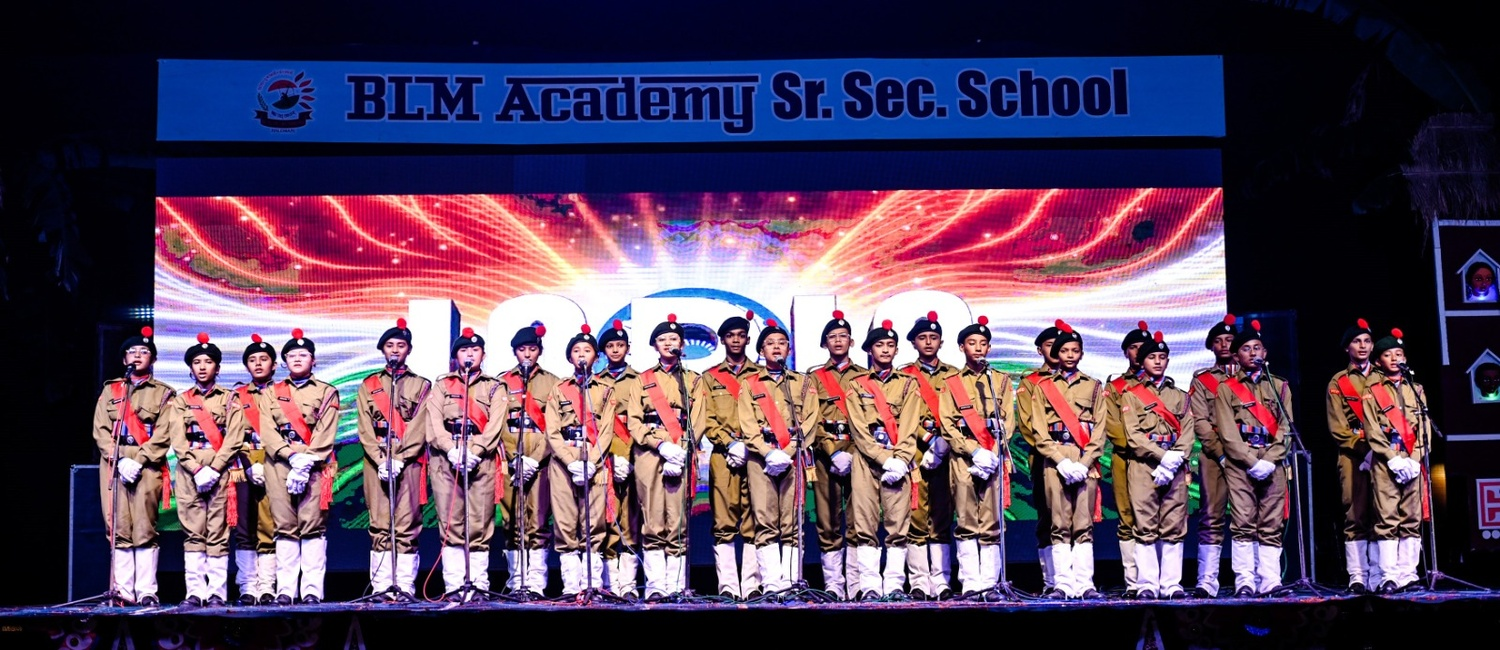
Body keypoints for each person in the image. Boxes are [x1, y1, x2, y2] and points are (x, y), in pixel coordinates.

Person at [91, 326, 175, 605]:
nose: (138, 355)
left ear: (153, 359)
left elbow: (164, 433)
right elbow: (100, 430)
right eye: (132, 351)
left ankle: (147, 591)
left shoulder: (164, 393)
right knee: (118, 526)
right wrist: (119, 459)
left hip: (146, 464)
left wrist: (137, 461)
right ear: (124, 358)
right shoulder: (111, 390)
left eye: (144, 351)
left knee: (144, 526)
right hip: (114, 463)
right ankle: (123, 591)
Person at [626, 314, 708, 599]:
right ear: (654, 345)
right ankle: (655, 586)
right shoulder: (642, 380)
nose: (668, 343)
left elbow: (698, 419)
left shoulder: (693, 379)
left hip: (681, 451)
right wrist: (660, 446)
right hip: (650, 453)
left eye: (673, 339)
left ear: (682, 345)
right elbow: (634, 421)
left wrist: (681, 450)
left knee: (678, 521)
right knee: (652, 520)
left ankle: (676, 585)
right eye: (662, 339)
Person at [737, 319, 820, 595]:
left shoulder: (803, 383)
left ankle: (791, 582)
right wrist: (769, 453)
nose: (776, 348)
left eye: (782, 343)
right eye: (770, 344)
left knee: (792, 521)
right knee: (765, 520)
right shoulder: (750, 384)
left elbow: (810, 421)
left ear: (789, 349)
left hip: (792, 457)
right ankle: (772, 582)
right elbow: (747, 425)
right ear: (761, 350)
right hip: (761, 459)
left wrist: (787, 453)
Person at [424, 327, 507, 601]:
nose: (469, 354)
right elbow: (434, 422)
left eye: (475, 350)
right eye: (463, 350)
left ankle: (478, 585)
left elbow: (495, 425)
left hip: (480, 460)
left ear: (483, 354)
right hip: (446, 459)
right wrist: (451, 450)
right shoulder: (442, 385)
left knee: (480, 524)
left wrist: (475, 450)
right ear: (455, 356)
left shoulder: (494, 386)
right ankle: (454, 586)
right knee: (451, 524)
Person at [1026, 320, 1106, 599]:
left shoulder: (1094, 386)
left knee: (1083, 524)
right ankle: (1062, 584)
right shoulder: (1043, 387)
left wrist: (1084, 463)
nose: (1070, 355)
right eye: (1064, 351)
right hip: (1055, 459)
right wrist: (1061, 461)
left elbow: (1100, 429)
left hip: (1085, 460)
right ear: (1056, 354)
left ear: (1082, 353)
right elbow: (1039, 430)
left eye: (1075, 350)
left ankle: (1085, 584)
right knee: (1058, 523)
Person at [258, 329, 340, 605]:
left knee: (312, 526)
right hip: (280, 463)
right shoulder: (271, 392)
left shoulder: (327, 392)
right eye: (291, 355)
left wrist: (306, 461)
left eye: (303, 355)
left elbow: (326, 430)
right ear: (284, 361)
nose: (296, 359)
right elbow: (267, 430)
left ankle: (312, 590)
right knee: (284, 526)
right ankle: (285, 589)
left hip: (314, 464)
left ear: (313, 360)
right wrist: (291, 457)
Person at [1213, 319, 1293, 597]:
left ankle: (1270, 579)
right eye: (1246, 349)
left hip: (1273, 461)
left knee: (1271, 522)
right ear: (1236, 356)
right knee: (1243, 523)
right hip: (1241, 463)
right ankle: (1245, 580)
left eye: (1257, 347)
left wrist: (1270, 459)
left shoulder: (1280, 386)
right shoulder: (1226, 388)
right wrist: (1252, 462)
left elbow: (1286, 427)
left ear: (1265, 352)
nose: (1253, 353)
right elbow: (1227, 432)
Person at [355, 318, 432, 601]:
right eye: (390, 345)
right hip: (376, 459)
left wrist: (400, 457)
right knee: (379, 523)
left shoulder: (422, 385)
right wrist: (380, 459)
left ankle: (405, 585)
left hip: (408, 461)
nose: (395, 350)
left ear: (408, 350)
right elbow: (364, 426)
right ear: (383, 350)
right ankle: (381, 586)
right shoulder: (369, 385)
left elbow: (420, 425)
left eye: (401, 345)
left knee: (407, 524)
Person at [937, 316, 1014, 595]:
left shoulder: (1000, 381)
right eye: (972, 343)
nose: (978, 348)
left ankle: (991, 582)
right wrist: (974, 451)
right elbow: (947, 423)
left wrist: (992, 453)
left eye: (983, 343)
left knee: (992, 520)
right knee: (966, 519)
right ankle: (971, 582)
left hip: (992, 455)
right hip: (964, 457)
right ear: (962, 348)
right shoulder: (951, 382)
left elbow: (1008, 420)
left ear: (989, 348)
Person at [166, 333, 244, 607]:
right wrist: (196, 469)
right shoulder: (180, 400)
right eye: (197, 362)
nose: (202, 367)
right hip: (190, 472)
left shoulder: (230, 399)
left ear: (217, 368)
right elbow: (177, 439)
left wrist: (215, 467)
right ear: (190, 368)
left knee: (218, 531)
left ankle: (217, 593)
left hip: (219, 471)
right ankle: (195, 592)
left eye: (208, 362)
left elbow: (234, 437)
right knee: (193, 531)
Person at [546, 324, 623, 596]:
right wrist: (570, 462)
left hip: (595, 462)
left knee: (594, 523)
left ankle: (592, 583)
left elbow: (607, 430)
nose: (581, 355)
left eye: (587, 350)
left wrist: (590, 461)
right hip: (564, 460)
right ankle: (570, 586)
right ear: (570, 357)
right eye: (576, 350)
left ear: (596, 357)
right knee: (566, 522)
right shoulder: (559, 389)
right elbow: (552, 431)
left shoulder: (605, 390)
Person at [847, 320, 921, 599]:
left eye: (891, 345)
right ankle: (869, 586)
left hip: (899, 460)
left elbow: (910, 425)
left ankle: (893, 585)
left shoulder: (908, 384)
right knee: (865, 525)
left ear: (897, 350)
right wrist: (883, 459)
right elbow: (858, 429)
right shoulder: (856, 385)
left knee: (898, 525)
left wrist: (900, 459)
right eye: (880, 345)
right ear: (870, 350)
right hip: (867, 460)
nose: (886, 350)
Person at [1119, 332, 1196, 599]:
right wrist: (1162, 458)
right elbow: (1133, 435)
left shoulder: (1181, 396)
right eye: (1152, 357)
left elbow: (1188, 430)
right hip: (1144, 465)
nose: (1158, 361)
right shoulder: (1131, 395)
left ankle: (1171, 584)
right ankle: (1148, 584)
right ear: (1142, 361)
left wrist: (1174, 459)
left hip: (1175, 465)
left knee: (1174, 524)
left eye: (1162, 357)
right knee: (1145, 524)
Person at [1360, 329, 1429, 593]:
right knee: (1387, 518)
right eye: (1388, 355)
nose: (1394, 358)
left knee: (1411, 518)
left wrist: (1415, 459)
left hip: (1412, 460)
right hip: (1386, 461)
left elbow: (1424, 427)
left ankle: (1408, 574)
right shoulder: (1372, 391)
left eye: (1398, 354)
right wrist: (1392, 459)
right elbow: (1372, 429)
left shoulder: (1416, 389)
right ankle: (1388, 576)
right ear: (1379, 361)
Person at [898, 312, 961, 600]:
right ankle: (919, 581)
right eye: (922, 338)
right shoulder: (904, 375)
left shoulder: (954, 375)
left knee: (942, 514)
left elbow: (960, 412)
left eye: (933, 338)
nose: (928, 342)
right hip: (915, 450)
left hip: (947, 451)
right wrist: (928, 439)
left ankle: (942, 580)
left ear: (941, 342)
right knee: (916, 515)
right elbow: (900, 415)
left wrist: (944, 441)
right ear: (913, 343)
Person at [701, 312, 763, 600]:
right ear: (722, 340)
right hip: (723, 455)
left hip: (756, 454)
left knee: (754, 518)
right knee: (724, 521)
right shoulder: (709, 377)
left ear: (748, 340)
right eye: (730, 336)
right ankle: (727, 585)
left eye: (740, 335)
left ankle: (751, 585)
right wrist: (729, 443)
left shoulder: (760, 375)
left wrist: (750, 444)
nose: (736, 340)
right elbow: (706, 418)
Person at [496, 323, 559, 596]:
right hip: (510, 461)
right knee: (512, 521)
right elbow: (497, 423)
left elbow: (554, 426)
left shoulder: (553, 382)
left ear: (539, 351)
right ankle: (515, 581)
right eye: (522, 349)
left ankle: (536, 584)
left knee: (538, 522)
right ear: (515, 352)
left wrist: (534, 459)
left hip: (541, 463)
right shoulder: (501, 382)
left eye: (532, 349)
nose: (527, 354)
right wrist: (513, 457)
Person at [806, 310, 864, 599]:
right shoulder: (814, 378)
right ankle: (833, 585)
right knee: (827, 521)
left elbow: (870, 419)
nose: (838, 341)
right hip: (824, 455)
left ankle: (856, 584)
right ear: (824, 343)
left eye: (843, 336)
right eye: (832, 337)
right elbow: (809, 419)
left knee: (858, 521)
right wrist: (831, 451)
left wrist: (853, 452)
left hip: (859, 456)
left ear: (851, 342)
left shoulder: (864, 376)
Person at [1325, 318, 1378, 593]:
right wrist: (1364, 451)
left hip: (1385, 454)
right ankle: (1358, 575)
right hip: (1353, 454)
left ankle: (1381, 574)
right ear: (1347, 347)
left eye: (1367, 341)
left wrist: (1380, 451)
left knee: (1383, 514)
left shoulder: (1383, 376)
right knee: (1355, 514)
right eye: (1357, 341)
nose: (1363, 346)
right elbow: (1337, 427)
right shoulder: (1339, 381)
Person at [1190, 314, 1239, 598]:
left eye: (1229, 340)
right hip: (1214, 454)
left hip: (1249, 455)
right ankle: (1207, 581)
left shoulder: (1253, 378)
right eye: (1218, 341)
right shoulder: (1203, 380)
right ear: (1211, 346)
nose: (1224, 345)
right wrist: (1221, 455)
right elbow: (1200, 421)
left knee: (1250, 518)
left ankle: (1251, 579)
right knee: (1211, 516)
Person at [1103, 320, 1153, 598]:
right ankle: (1134, 583)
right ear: (1125, 352)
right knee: (1127, 518)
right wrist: (1138, 447)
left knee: (1158, 518)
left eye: (1143, 347)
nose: (1138, 352)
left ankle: (1157, 581)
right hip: (1126, 457)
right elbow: (1112, 424)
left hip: (1158, 460)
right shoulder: (1116, 386)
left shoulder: (1162, 385)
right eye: (1133, 347)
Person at [229, 334, 280, 605]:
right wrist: (248, 465)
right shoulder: (236, 396)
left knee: (270, 524)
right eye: (252, 360)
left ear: (274, 364)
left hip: (275, 461)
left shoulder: (284, 392)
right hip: (243, 462)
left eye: (264, 359)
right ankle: (248, 585)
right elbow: (231, 433)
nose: (258, 364)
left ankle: (268, 585)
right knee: (244, 526)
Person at [594, 319, 643, 599]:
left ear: (628, 348)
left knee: (632, 519)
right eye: (610, 346)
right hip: (604, 457)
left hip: (634, 454)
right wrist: (611, 454)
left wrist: (628, 455)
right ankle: (609, 583)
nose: (615, 350)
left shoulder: (639, 380)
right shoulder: (596, 382)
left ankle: (629, 585)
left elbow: (640, 421)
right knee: (607, 517)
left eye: (620, 345)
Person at [1015, 323, 1062, 594]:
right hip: (1044, 460)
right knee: (1047, 517)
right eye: (1049, 345)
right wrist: (1055, 455)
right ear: (1039, 350)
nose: (1055, 351)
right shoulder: (1030, 382)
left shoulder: (1084, 382)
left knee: (1077, 521)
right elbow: (1027, 425)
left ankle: (1077, 581)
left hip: (1077, 460)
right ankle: (1052, 581)